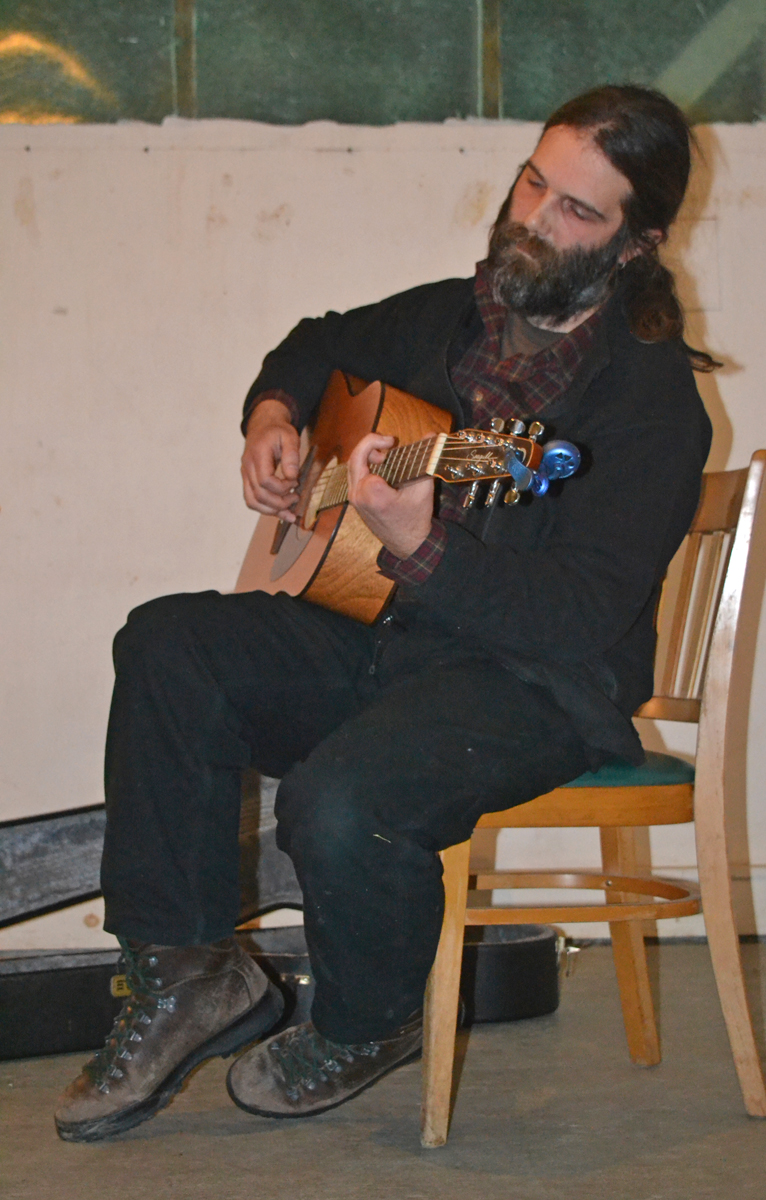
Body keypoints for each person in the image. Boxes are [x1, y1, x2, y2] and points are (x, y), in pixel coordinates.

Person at [55, 84, 714, 1142]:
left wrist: (423, 544)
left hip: (531, 687)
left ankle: (363, 1024)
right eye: (532, 183)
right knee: (169, 641)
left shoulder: (646, 405)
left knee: (337, 799)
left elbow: (576, 618)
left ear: (635, 245)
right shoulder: (442, 319)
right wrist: (272, 417)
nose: (534, 218)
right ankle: (185, 972)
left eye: (577, 211)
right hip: (377, 632)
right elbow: (315, 344)